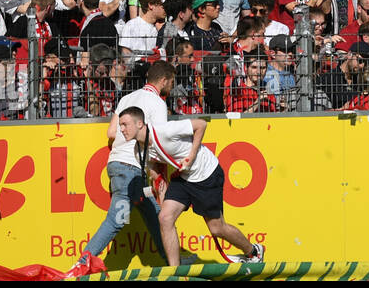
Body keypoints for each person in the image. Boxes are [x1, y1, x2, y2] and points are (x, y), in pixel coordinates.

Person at [116, 107, 264, 266]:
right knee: (165, 218)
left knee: (216, 228)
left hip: (206, 174)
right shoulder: (138, 151)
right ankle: (175, 270)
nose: (122, 129)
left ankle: (253, 251)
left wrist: (192, 156)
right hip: (183, 178)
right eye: (120, 125)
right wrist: (158, 181)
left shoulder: (165, 131)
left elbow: (201, 124)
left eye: (125, 124)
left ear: (139, 124)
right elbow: (153, 167)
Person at [72, 61, 176, 273]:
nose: (172, 87)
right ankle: (82, 263)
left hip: (119, 164)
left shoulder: (128, 98)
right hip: (131, 169)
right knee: (116, 221)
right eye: (172, 82)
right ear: (163, 80)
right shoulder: (157, 104)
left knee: (157, 218)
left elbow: (111, 133)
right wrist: (158, 174)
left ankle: (173, 261)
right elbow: (158, 142)